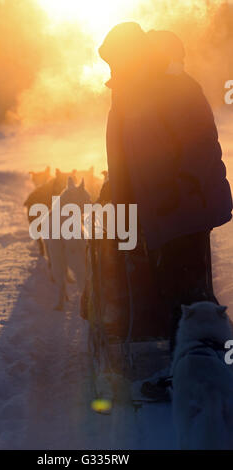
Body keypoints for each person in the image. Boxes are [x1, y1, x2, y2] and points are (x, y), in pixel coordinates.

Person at [99, 23, 232, 396]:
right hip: (163, 211)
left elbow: (199, 140)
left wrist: (180, 187)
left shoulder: (169, 86)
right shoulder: (133, 88)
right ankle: (186, 371)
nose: (111, 70)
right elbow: (133, 153)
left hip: (181, 208)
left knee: (191, 297)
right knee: (181, 295)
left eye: (116, 61)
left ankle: (208, 374)